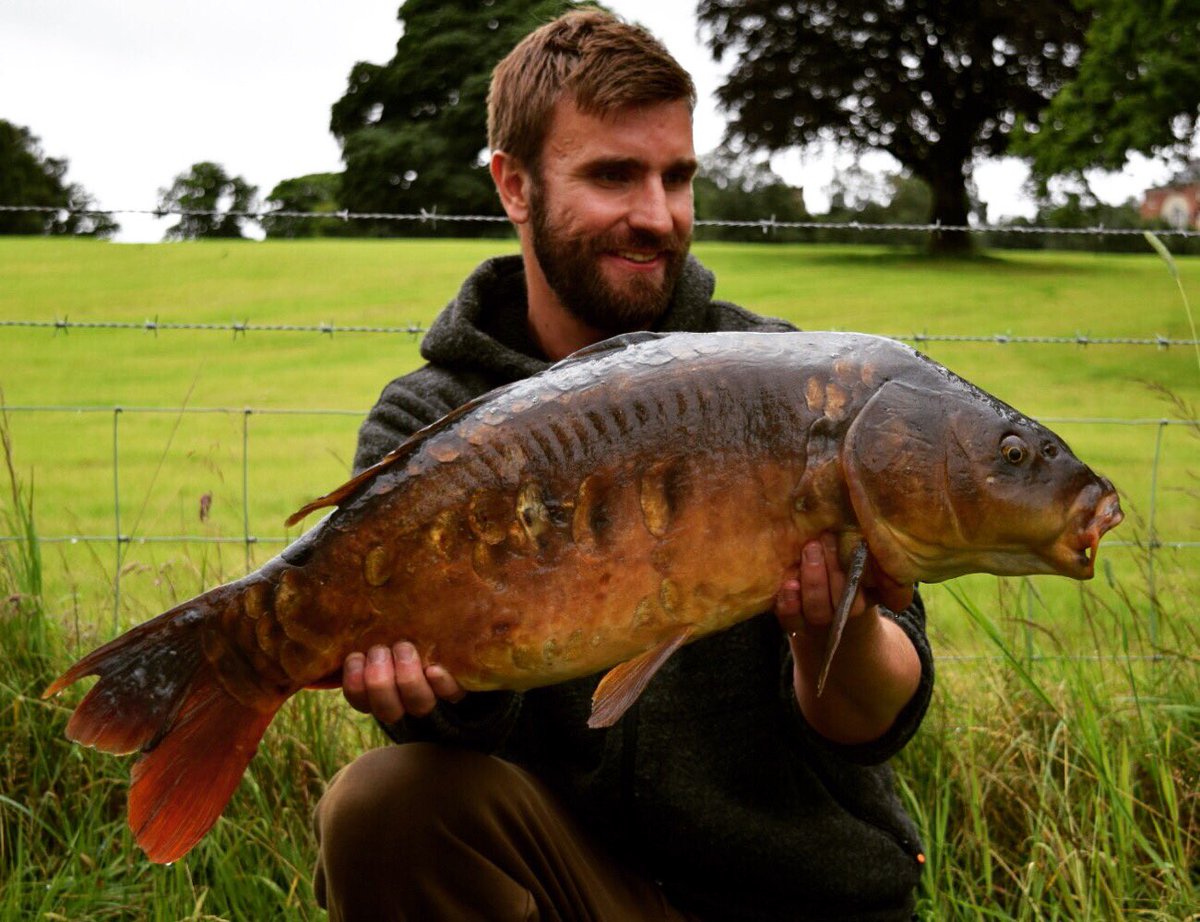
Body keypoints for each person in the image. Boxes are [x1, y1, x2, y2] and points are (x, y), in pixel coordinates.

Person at [312, 10, 933, 921]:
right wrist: (443, 698)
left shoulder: (794, 384)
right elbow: (455, 738)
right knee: (382, 806)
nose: (656, 216)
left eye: (676, 177)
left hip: (801, 899)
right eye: (613, 175)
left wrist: (825, 630)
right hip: (582, 891)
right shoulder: (430, 422)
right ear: (514, 185)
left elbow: (875, 721)